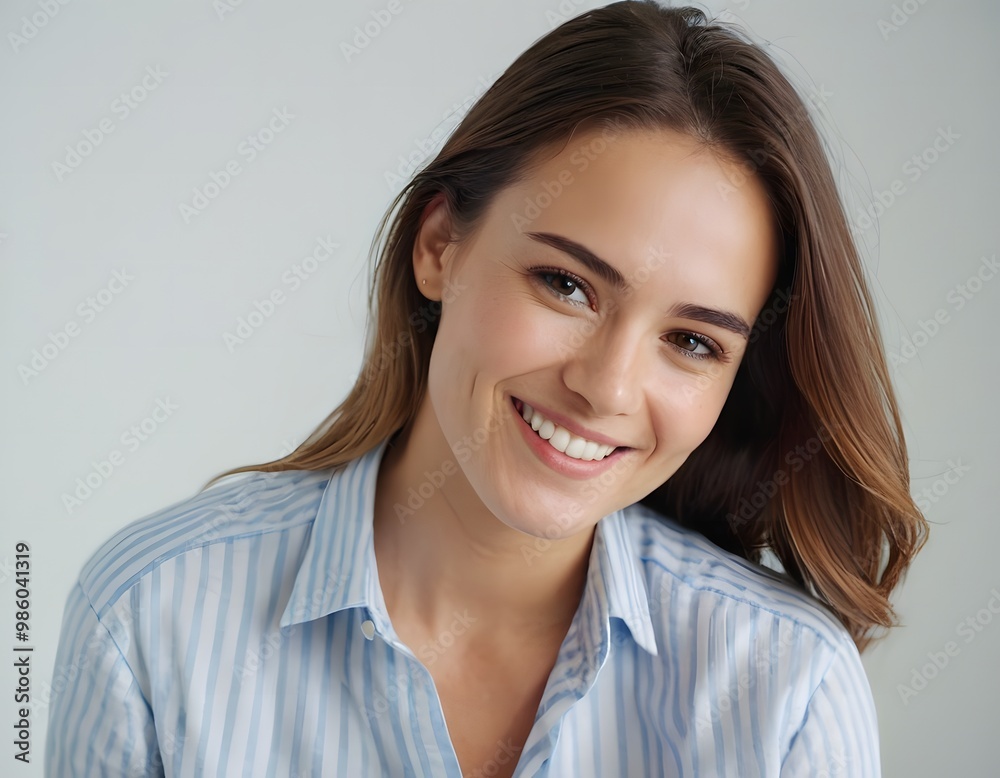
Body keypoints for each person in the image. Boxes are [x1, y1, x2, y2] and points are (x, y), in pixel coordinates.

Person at [45, 2, 928, 776]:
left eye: (691, 341)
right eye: (567, 285)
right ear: (441, 246)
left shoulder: (788, 690)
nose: (606, 387)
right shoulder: (146, 615)